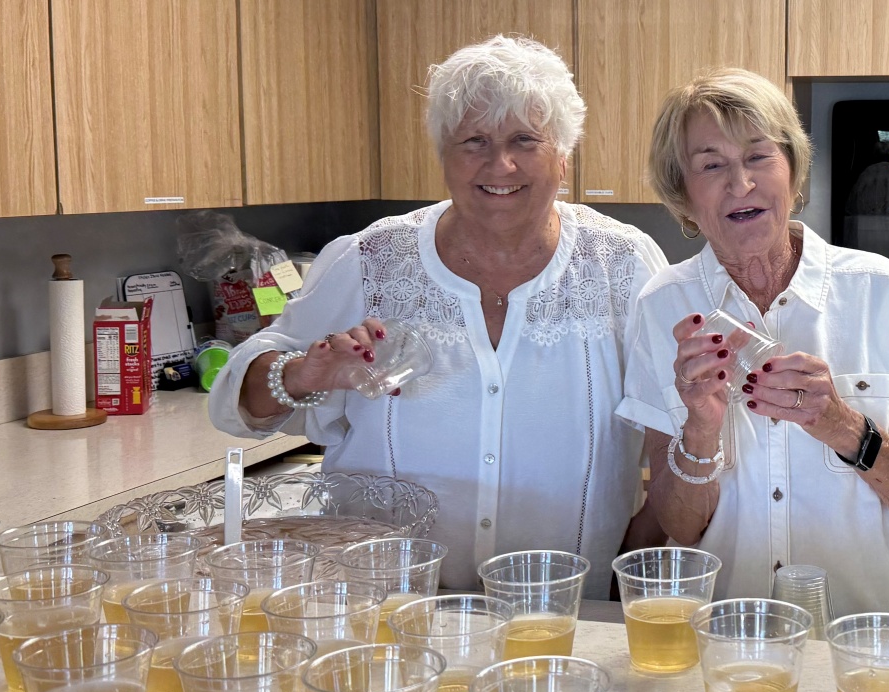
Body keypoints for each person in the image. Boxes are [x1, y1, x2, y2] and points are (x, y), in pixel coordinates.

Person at [209, 36, 667, 598]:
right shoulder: (369, 260)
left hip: (561, 608)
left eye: (525, 140)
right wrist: (303, 373)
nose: (500, 164)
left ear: (564, 155)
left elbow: (670, 429)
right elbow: (236, 403)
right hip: (389, 606)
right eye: (474, 141)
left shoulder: (621, 264)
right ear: (443, 155)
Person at [618, 68, 889, 618]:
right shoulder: (663, 305)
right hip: (741, 635)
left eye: (758, 156)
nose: (741, 184)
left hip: (878, 635)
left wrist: (842, 425)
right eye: (711, 165)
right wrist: (701, 430)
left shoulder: (877, 288)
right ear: (682, 191)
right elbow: (680, 526)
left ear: (792, 169)